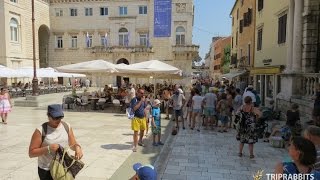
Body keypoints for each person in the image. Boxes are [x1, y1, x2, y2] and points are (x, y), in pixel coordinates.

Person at [28, 104, 83, 180]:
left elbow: (72, 144)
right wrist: (48, 148)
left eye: (60, 117)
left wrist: (77, 147)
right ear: (48, 116)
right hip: (47, 170)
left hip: (63, 168)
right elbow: (31, 153)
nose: (58, 120)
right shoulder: (41, 130)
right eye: (55, 117)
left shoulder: (66, 126)